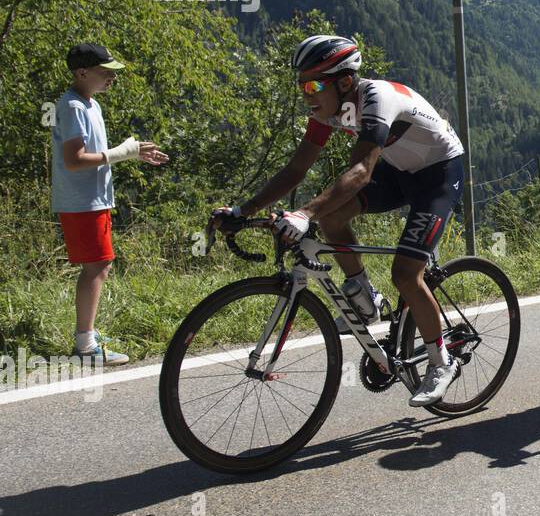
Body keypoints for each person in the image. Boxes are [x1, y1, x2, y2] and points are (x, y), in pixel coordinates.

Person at [211, 35, 466, 407]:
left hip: (438, 174)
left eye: (313, 85)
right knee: (332, 218)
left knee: (405, 273)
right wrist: (242, 210)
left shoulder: (377, 97)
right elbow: (296, 169)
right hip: (398, 172)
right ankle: (364, 297)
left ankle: (442, 363)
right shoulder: (327, 110)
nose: (306, 94)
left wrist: (303, 214)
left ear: (345, 81)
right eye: (301, 85)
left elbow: (362, 170)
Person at [54, 44, 169, 366]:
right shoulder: (73, 106)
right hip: (82, 202)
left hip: (92, 200)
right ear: (82, 73)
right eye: (105, 73)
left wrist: (133, 153)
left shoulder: (88, 104)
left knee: (98, 265)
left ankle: (87, 336)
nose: (111, 79)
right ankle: (85, 346)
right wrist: (123, 153)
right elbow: (75, 161)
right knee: (97, 267)